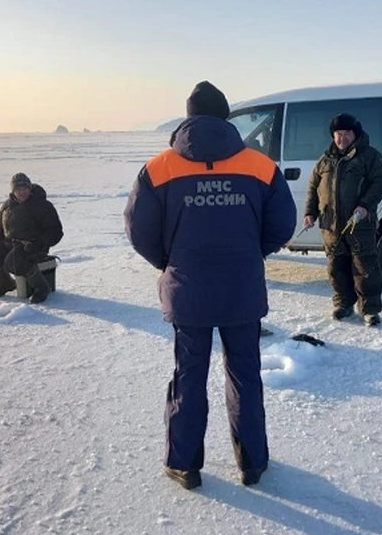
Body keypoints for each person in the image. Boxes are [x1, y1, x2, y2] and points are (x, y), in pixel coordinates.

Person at [124, 81, 296, 490]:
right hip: (241, 289)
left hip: (189, 293)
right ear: (225, 118)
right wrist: (251, 253)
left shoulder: (158, 168)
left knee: (189, 375)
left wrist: (170, 263)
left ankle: (184, 464)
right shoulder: (260, 165)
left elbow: (138, 230)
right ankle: (252, 463)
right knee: (245, 375)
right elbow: (283, 224)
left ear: (188, 118)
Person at [302, 113, 382, 326]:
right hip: (331, 226)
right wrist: (310, 213)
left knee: (365, 267)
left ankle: (370, 310)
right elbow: (313, 189)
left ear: (355, 134)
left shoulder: (368, 156)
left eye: (346, 134)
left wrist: (365, 205)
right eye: (338, 134)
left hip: (359, 223)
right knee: (336, 268)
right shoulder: (325, 160)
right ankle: (343, 304)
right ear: (333, 136)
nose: (341, 138)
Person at [0, 173, 64, 304]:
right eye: (18, 189)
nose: (22, 192)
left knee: (13, 261)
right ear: (13, 190)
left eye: (25, 188)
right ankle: (7, 284)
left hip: (33, 247)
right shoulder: (7, 206)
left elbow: (55, 231)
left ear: (30, 188)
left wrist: (39, 243)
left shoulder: (43, 205)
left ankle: (42, 287)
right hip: (10, 244)